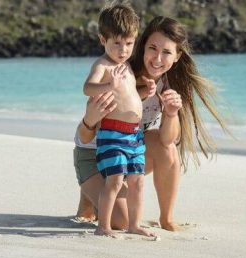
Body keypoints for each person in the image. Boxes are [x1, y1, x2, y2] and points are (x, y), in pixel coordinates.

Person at [74, 16, 228, 231]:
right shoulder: (120, 74)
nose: (157, 58)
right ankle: (91, 192)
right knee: (121, 222)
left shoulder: (169, 84)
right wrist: (90, 119)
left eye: (166, 52)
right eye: (152, 48)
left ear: (177, 56)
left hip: (129, 148)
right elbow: (85, 137)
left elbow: (167, 140)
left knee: (168, 150)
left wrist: (171, 113)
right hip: (94, 153)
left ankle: (166, 219)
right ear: (142, 47)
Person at [81, 3, 154, 238]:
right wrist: (106, 85)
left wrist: (146, 92)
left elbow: (129, 98)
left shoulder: (126, 67)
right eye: (117, 43)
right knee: (114, 180)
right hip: (112, 134)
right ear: (103, 40)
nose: (123, 50)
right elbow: (87, 88)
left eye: (129, 44)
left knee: (137, 182)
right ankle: (103, 227)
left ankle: (134, 224)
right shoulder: (103, 65)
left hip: (135, 135)